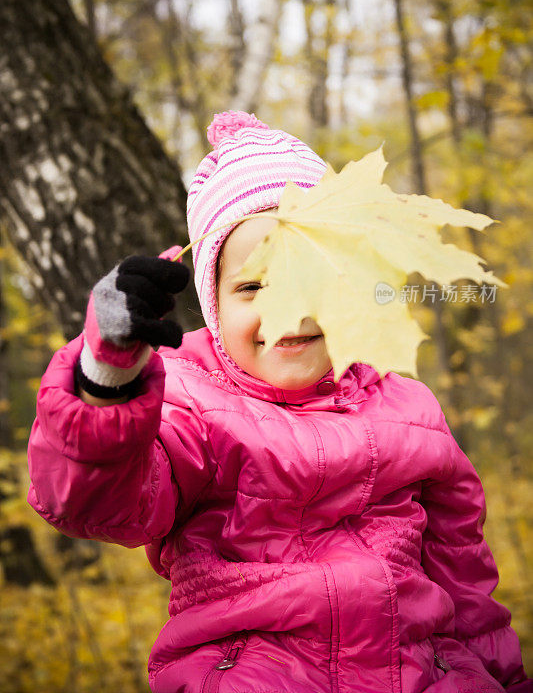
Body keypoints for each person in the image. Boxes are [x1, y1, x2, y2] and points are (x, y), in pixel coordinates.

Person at [27, 111, 532, 693]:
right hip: (252, 672)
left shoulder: (411, 409)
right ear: (214, 306)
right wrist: (106, 379)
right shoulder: (190, 403)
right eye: (251, 286)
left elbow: (465, 584)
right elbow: (93, 502)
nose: (287, 308)